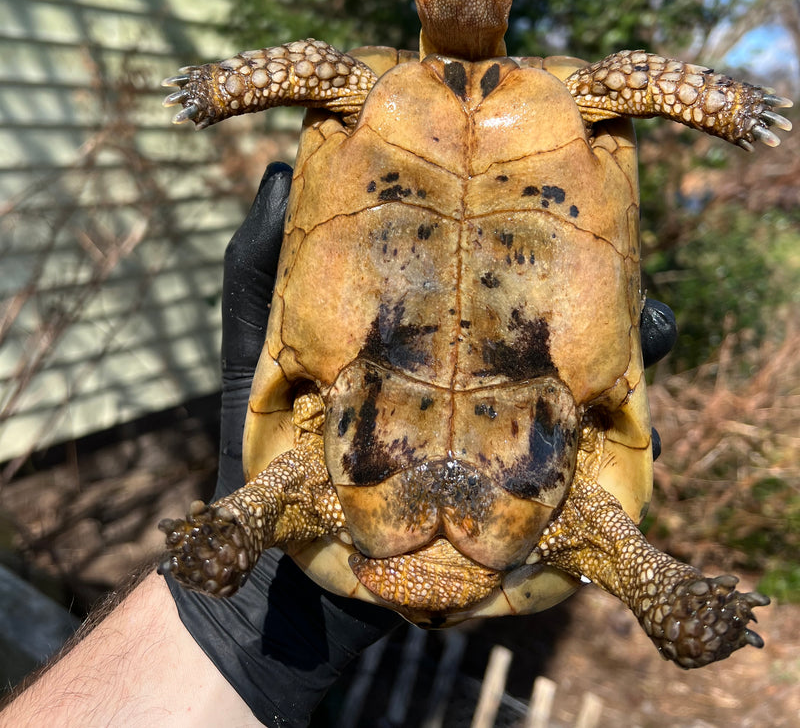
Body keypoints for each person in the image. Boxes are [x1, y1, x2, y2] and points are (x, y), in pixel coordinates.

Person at [0, 164, 677, 727]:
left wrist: (225, 600)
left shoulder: (318, 492)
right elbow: (618, 532)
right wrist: (667, 590)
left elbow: (265, 502)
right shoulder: (561, 525)